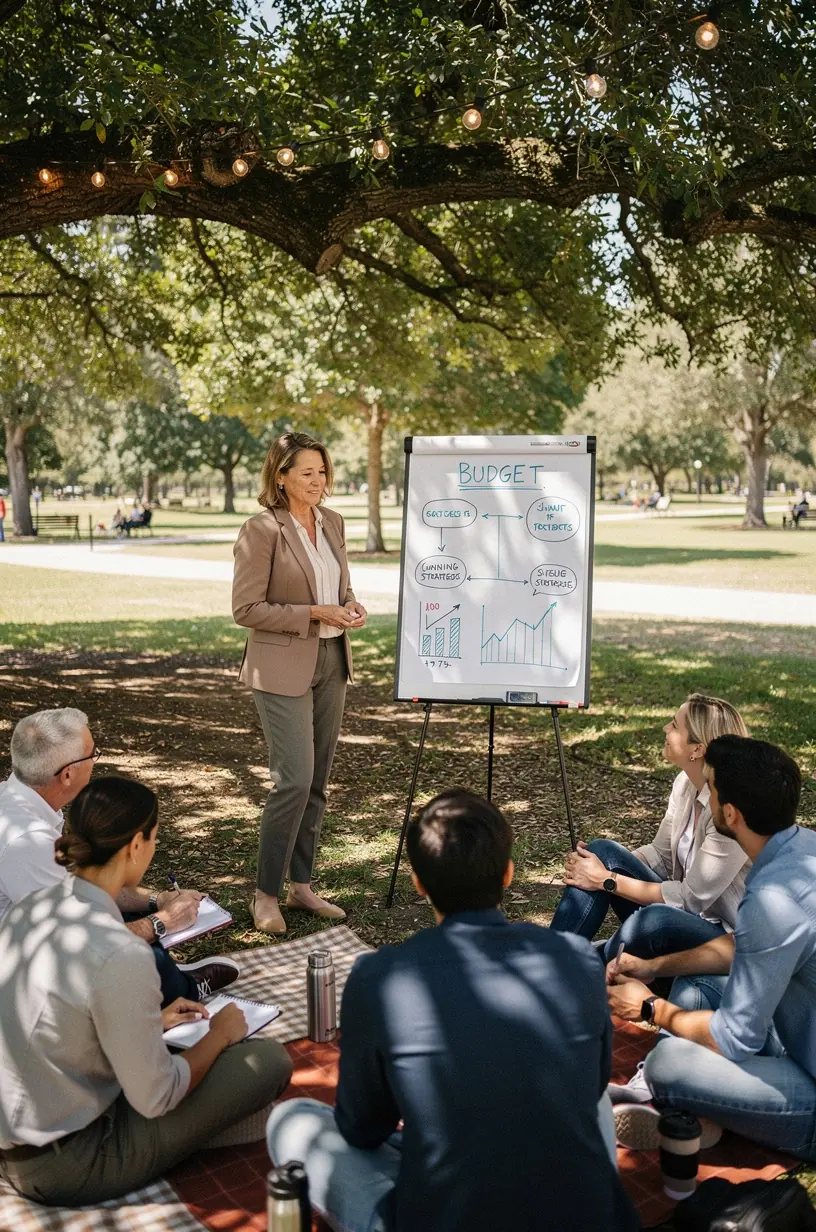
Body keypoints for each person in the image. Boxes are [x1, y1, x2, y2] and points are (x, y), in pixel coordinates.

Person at [267, 789, 640, 1232]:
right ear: (508, 873)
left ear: (418, 883)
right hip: (586, 1214)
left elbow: (362, 1128)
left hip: (445, 1211)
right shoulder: (577, 958)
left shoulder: (380, 978)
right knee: (585, 1104)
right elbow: (591, 1084)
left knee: (292, 1119)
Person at [0, 776, 293, 1206]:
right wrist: (220, 1035)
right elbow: (159, 1095)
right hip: (69, 1162)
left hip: (22, 1132)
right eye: (154, 839)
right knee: (267, 1060)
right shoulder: (121, 951)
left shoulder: (30, 907)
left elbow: (56, 1018)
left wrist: (152, 1022)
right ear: (135, 845)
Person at [607, 735, 816, 1159]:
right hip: (791, 1031)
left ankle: (688, 1106)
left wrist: (649, 1008)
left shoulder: (772, 897)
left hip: (807, 1083)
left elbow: (733, 1039)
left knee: (667, 1063)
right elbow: (742, 948)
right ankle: (704, 1112)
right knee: (696, 983)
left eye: (712, 788)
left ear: (731, 813)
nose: (706, 795)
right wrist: (655, 967)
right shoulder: (802, 848)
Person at [0, 708, 239, 1004]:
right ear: (67, 774)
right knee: (130, 940)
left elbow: (83, 888)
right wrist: (162, 922)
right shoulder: (28, 841)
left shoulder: (22, 801)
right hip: (25, 975)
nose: (95, 762)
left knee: (123, 916)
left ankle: (168, 976)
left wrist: (158, 900)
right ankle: (182, 989)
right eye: (92, 755)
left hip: (40, 937)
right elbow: (82, 943)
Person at [232, 431, 367, 936]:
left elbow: (340, 586)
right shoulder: (261, 529)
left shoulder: (333, 521)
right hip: (280, 667)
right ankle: (265, 894)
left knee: (316, 782)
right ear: (281, 476)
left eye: (322, 471)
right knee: (293, 780)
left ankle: (301, 886)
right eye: (306, 472)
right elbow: (246, 609)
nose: (317, 480)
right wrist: (313, 612)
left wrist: (350, 605)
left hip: (333, 659)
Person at [550, 693, 749, 963]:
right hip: (685, 915)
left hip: (724, 938)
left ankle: (581, 962)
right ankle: (551, 958)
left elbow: (690, 899)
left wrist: (606, 879)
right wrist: (601, 866)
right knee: (601, 851)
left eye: (674, 725)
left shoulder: (730, 811)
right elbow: (660, 855)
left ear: (697, 749)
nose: (666, 728)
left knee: (655, 919)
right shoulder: (685, 784)